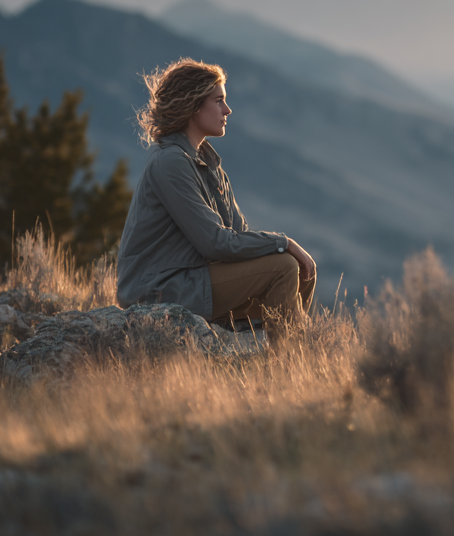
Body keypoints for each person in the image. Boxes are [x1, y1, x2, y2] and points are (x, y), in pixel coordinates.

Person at [116, 58, 317, 332]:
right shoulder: (170, 162)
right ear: (194, 106)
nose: (228, 109)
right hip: (160, 290)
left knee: (299, 270)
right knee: (282, 266)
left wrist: (282, 247)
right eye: (219, 100)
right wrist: (284, 242)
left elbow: (237, 233)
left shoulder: (207, 162)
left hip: (192, 279)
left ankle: (283, 356)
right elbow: (215, 243)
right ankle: (286, 363)